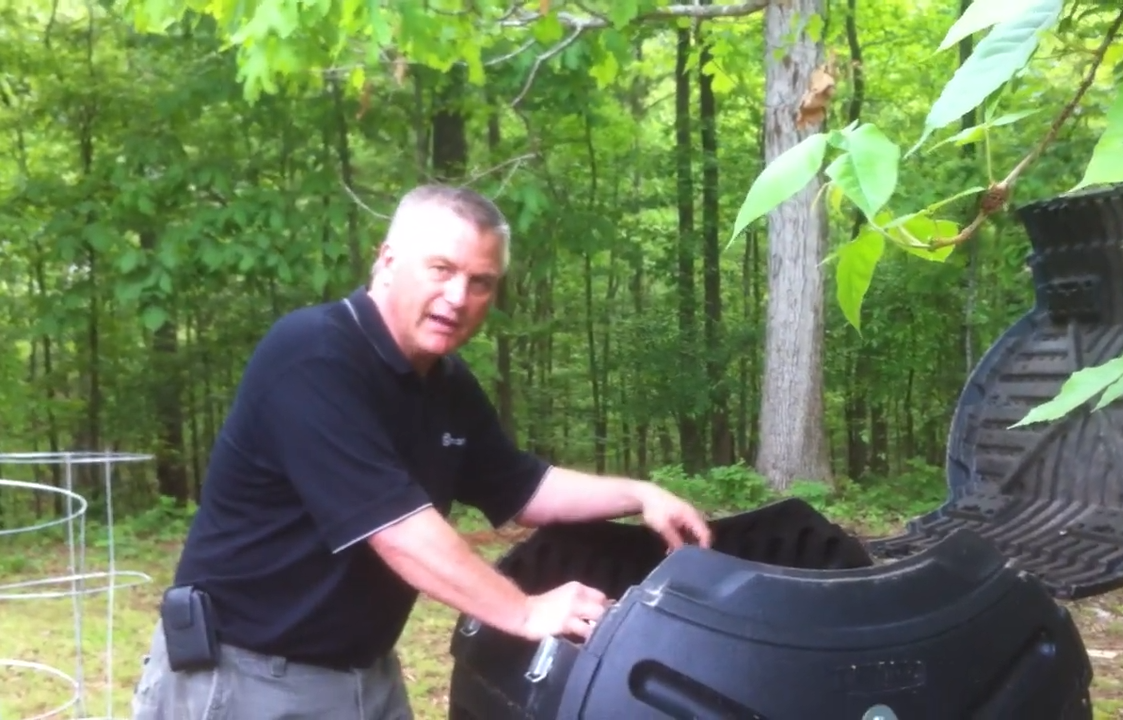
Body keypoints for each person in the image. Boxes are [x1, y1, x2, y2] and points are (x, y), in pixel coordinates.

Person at [130, 184, 713, 719]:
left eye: (480, 281)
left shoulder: (446, 384)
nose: (458, 297)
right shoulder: (313, 356)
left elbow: (525, 487)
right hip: (244, 678)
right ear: (387, 261)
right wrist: (526, 613)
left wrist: (639, 494)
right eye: (441, 269)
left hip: (366, 677)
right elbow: (397, 530)